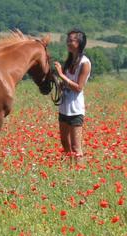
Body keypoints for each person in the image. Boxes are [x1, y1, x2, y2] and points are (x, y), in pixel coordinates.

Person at [54, 29, 91, 165]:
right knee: (65, 143)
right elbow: (65, 84)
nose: (68, 43)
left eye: (71, 40)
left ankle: (79, 170)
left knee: (76, 147)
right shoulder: (69, 61)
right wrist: (57, 81)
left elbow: (78, 87)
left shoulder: (85, 63)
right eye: (67, 40)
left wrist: (61, 75)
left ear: (79, 43)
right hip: (64, 107)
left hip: (75, 109)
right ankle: (70, 169)